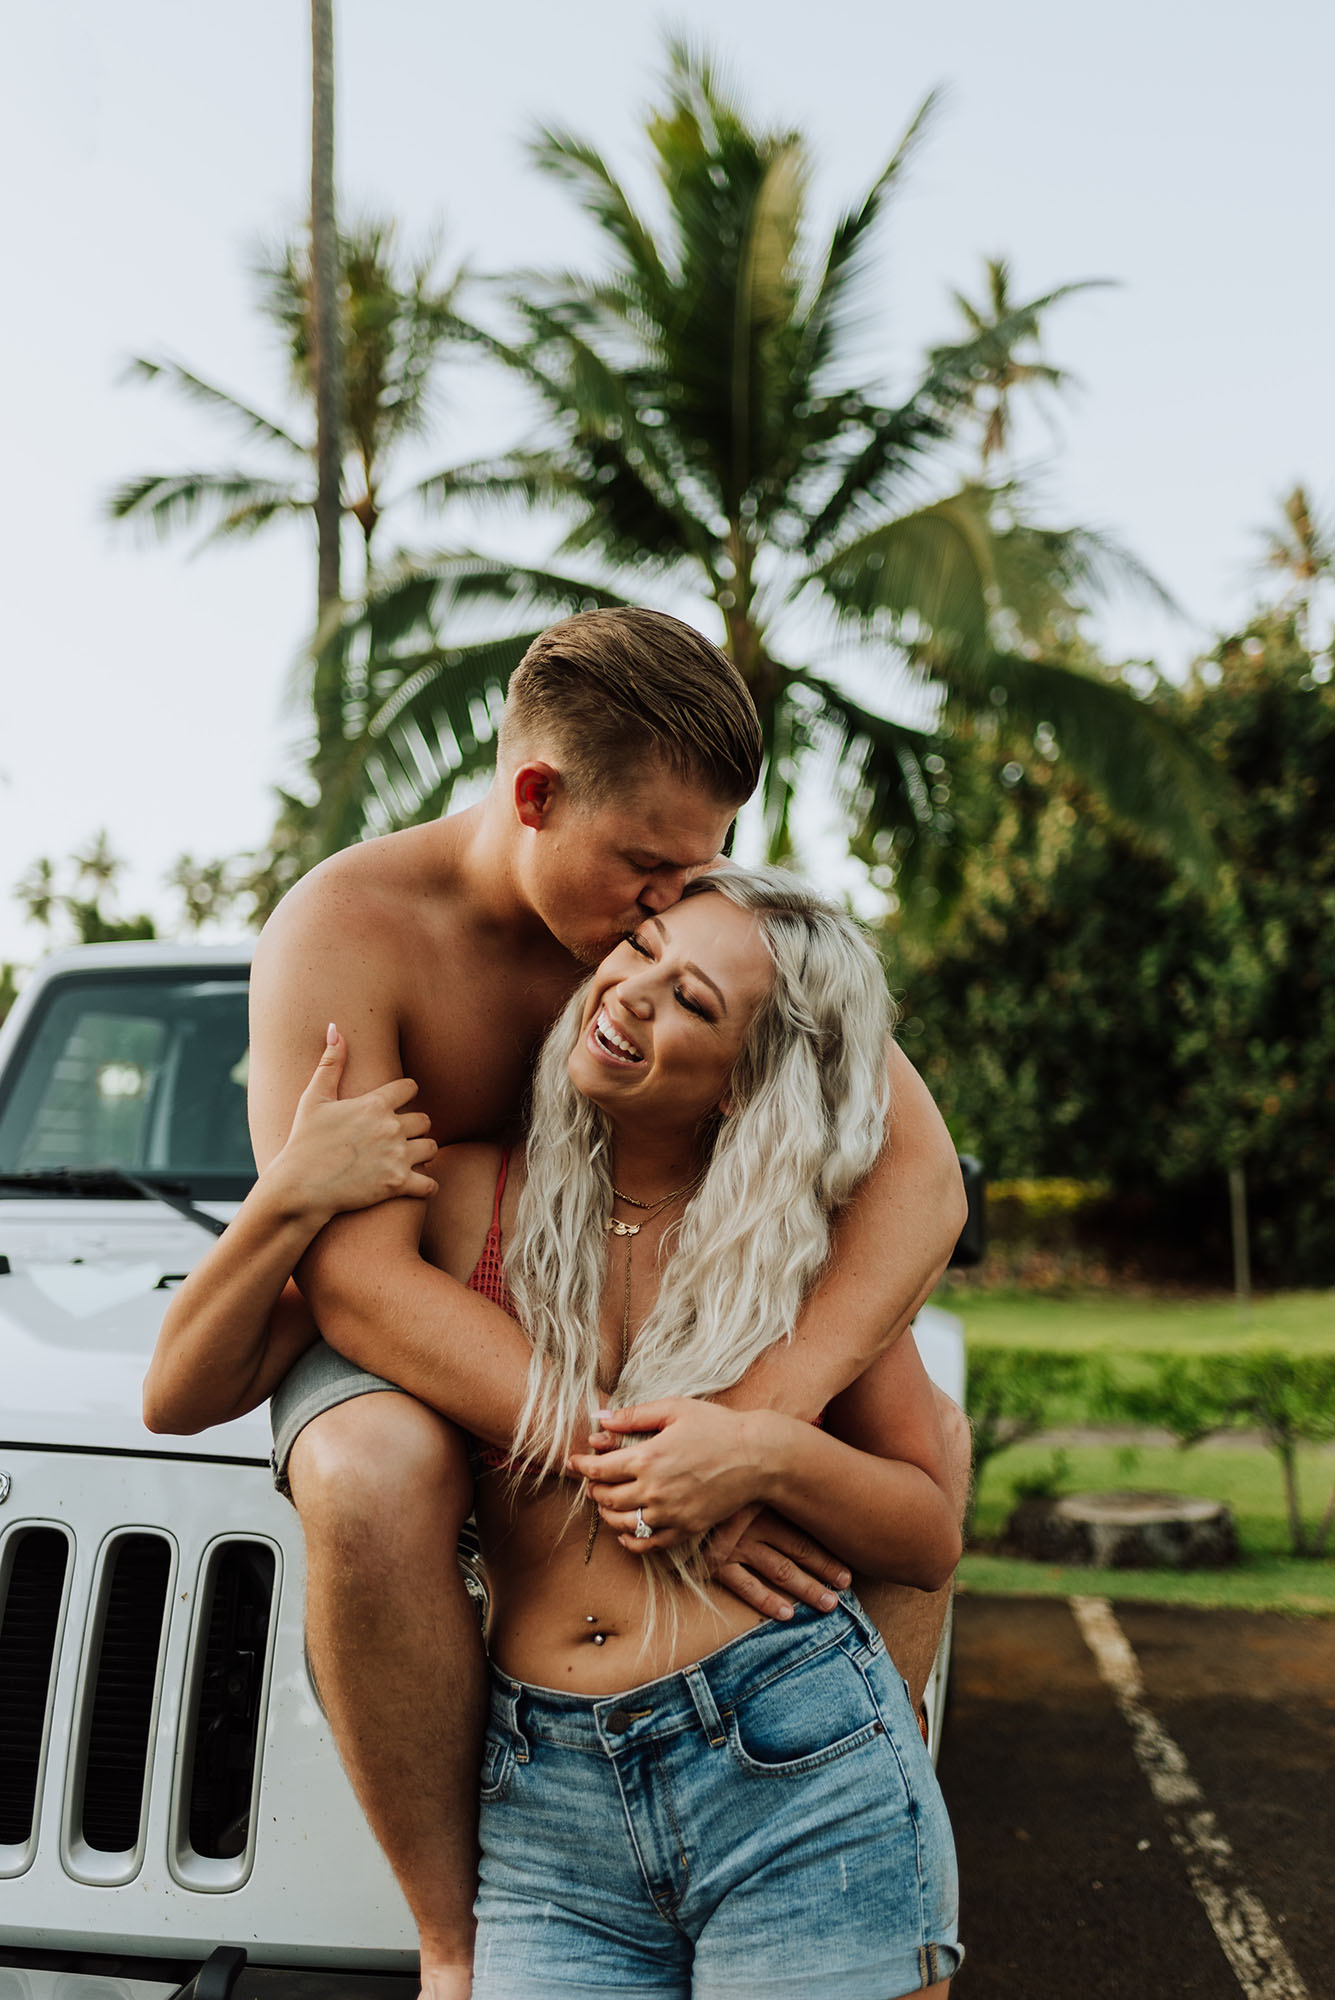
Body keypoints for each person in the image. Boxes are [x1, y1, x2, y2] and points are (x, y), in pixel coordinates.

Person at [239, 608, 969, 2000]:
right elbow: (354, 1275)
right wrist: (635, 1457)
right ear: (534, 797)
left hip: (661, 1309)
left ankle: (864, 1810)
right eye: (648, 865)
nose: (665, 905)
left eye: (695, 866)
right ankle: (452, 1934)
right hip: (439, 1297)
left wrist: (753, 1427)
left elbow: (919, 1176)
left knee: (927, 1439)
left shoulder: (677, 917)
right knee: (367, 1466)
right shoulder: (349, 929)